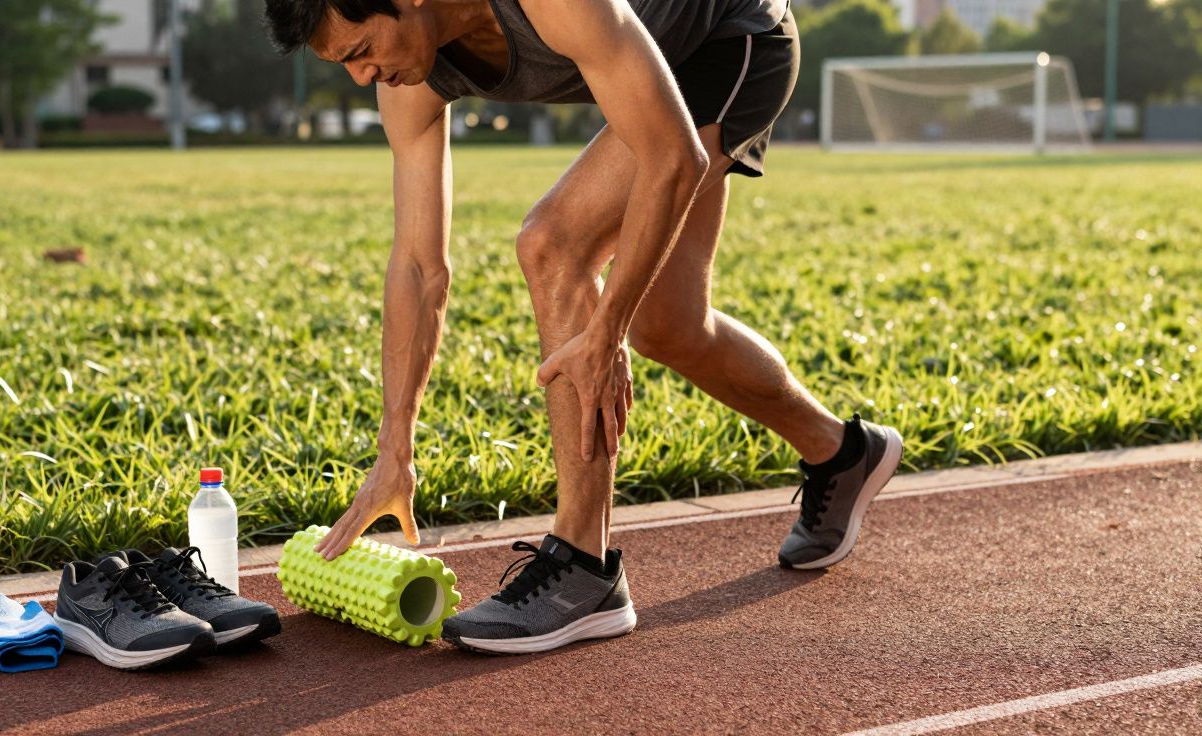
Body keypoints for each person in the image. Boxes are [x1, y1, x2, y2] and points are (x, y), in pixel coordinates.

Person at [263, 0, 903, 654]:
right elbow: (419, 265)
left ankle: (582, 566)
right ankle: (843, 453)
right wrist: (394, 446)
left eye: (360, 50)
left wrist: (605, 331)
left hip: (732, 38)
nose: (362, 77)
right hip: (655, 75)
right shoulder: (411, 77)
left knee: (552, 245)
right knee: (670, 327)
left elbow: (673, 156)